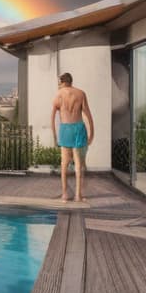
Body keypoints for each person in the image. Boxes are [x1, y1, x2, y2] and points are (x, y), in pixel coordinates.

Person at [51, 73, 94, 202]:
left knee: (64, 164)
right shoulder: (81, 93)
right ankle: (77, 195)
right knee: (78, 165)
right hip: (79, 128)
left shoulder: (58, 95)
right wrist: (92, 132)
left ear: (64, 82)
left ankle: (64, 194)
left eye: (59, 83)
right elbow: (88, 114)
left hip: (65, 128)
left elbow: (52, 118)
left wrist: (54, 136)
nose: (58, 85)